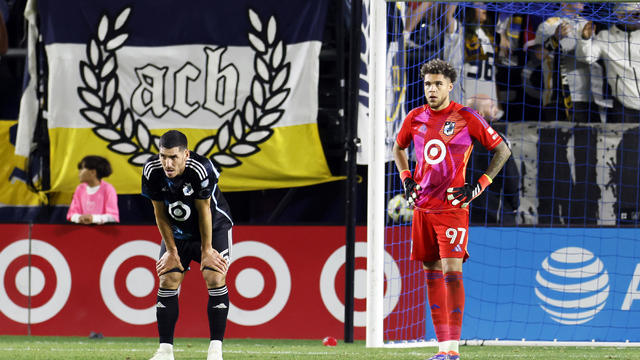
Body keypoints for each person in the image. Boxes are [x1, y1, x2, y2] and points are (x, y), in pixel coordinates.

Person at [392, 59, 511, 360]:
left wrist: (479, 185)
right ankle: (442, 349)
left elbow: (502, 150)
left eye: (437, 84)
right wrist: (406, 178)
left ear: (449, 86)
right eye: (428, 84)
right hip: (423, 209)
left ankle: (454, 350)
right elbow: (398, 147)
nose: (432, 89)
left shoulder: (466, 117)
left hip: (453, 209)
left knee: (451, 272)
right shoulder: (415, 117)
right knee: (430, 271)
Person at [142, 130, 233, 360]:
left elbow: (204, 211)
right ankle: (165, 352)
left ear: (186, 154)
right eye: (163, 156)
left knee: (214, 276)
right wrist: (171, 251)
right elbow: (159, 212)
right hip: (178, 231)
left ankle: (215, 351)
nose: (167, 163)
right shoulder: (152, 170)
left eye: (173, 157)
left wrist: (206, 250)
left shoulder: (201, 169)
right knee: (167, 277)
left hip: (214, 227)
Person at [576, 2, 640, 123]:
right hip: (623, 106)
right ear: (621, 16)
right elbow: (586, 57)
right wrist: (585, 39)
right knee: (624, 142)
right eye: (637, 14)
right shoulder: (605, 37)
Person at [444, 3, 504, 121]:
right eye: (479, 4)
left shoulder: (489, 36)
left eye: (484, 4)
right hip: (463, 96)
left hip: (487, 98)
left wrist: (497, 101)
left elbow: (493, 73)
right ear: (469, 9)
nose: (484, 8)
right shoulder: (459, 30)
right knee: (454, 136)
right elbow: (447, 16)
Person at [66, 155, 119, 224]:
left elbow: (113, 217)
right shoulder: (79, 189)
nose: (79, 172)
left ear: (93, 172)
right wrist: (79, 218)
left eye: (82, 168)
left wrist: (93, 218)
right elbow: (71, 214)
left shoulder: (108, 189)